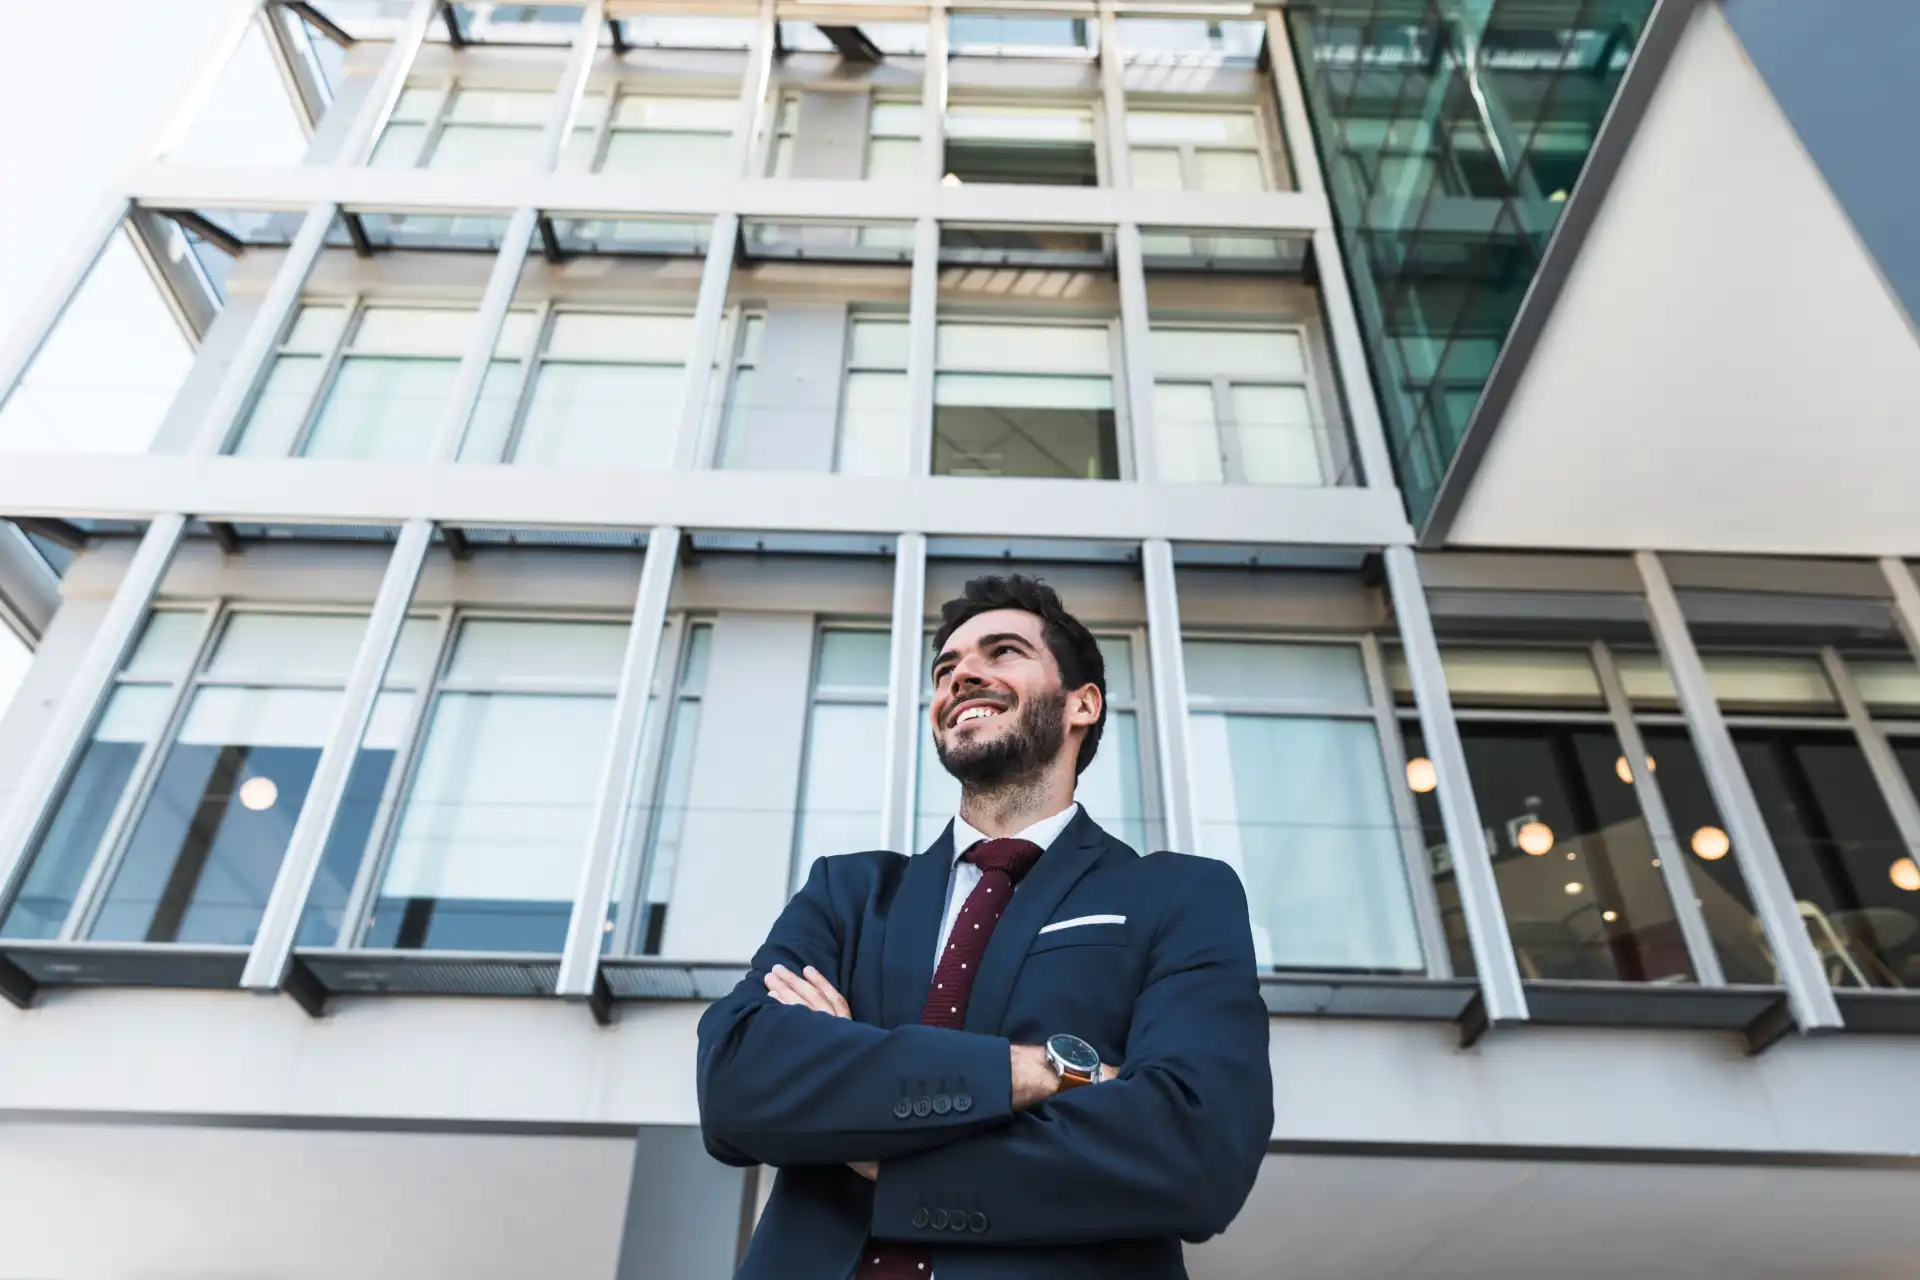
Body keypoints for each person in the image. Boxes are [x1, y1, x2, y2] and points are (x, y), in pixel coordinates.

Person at [696, 573, 1271, 1279]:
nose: (962, 674)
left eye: (1002, 652)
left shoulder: (1178, 893)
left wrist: (866, 1123)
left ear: (1082, 703)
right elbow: (736, 1084)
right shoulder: (847, 894)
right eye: (946, 669)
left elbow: (1195, 1149)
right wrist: (1045, 1070)